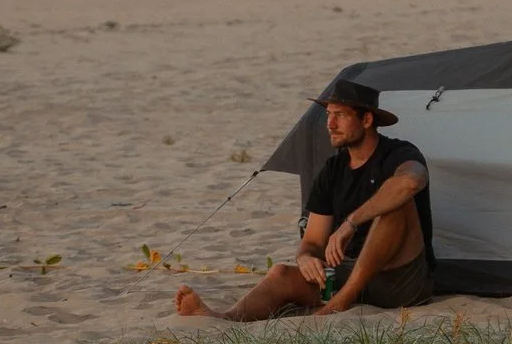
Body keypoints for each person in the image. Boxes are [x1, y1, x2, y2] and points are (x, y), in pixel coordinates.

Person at [175, 79, 434, 318]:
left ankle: (340, 302)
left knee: (395, 206)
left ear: (367, 119)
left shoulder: (399, 153)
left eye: (340, 116)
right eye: (329, 115)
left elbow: (411, 182)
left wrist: (350, 223)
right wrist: (307, 258)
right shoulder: (332, 170)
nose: (330, 124)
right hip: (347, 273)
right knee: (281, 274)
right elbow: (311, 241)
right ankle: (224, 318)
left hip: (399, 280)